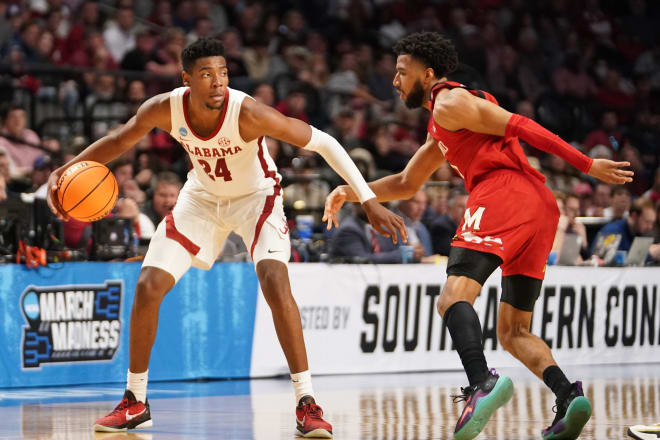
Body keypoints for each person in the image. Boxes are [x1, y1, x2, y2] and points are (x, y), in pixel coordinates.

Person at [46, 38, 405, 437]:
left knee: (274, 280)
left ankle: (307, 403)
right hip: (200, 199)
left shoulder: (247, 112)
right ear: (186, 80)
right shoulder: (165, 108)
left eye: (223, 73)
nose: (218, 82)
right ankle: (135, 400)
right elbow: (119, 140)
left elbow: (324, 142)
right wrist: (66, 169)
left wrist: (367, 198)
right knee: (148, 286)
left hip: (257, 199)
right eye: (206, 74)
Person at [323, 32, 633, 440]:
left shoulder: (452, 101)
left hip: (505, 194)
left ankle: (481, 384)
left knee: (452, 297)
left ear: (428, 73)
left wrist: (586, 163)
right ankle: (566, 393)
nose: (395, 81)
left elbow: (523, 125)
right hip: (538, 208)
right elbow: (406, 181)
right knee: (512, 330)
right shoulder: (444, 122)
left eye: (402, 72)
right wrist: (353, 190)